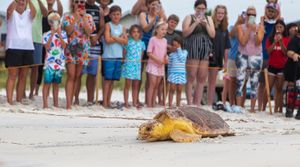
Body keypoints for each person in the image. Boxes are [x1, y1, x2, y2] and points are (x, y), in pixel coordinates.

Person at [62, 0, 95, 109]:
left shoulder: (88, 17)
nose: (79, 4)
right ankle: (68, 103)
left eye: (81, 1)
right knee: (71, 75)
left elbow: (89, 32)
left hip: (83, 49)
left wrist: (84, 18)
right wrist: (76, 18)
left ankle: (74, 99)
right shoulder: (67, 16)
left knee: (77, 75)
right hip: (70, 48)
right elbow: (68, 31)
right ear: (72, 3)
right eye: (77, 1)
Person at [182, 0, 215, 106]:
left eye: (203, 8)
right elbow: (185, 33)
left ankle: (197, 102)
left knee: (202, 76)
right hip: (193, 46)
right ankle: (189, 101)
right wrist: (196, 22)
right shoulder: (189, 17)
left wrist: (205, 25)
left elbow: (212, 34)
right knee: (191, 75)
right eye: (198, 8)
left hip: (205, 47)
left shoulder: (209, 18)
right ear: (195, 8)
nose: (201, 10)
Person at [5, 0, 36, 105]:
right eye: (19, 0)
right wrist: (16, 1)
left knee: (23, 76)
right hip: (13, 47)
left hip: (27, 47)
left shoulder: (28, 13)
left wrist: (29, 1)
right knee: (12, 75)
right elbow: (9, 11)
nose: (21, 2)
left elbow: (34, 12)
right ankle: (9, 100)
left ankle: (18, 100)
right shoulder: (11, 13)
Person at [74, 0, 105, 106]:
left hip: (95, 44)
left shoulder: (99, 9)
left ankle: (90, 100)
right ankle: (76, 99)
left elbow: (102, 26)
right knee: (79, 73)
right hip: (81, 43)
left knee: (92, 74)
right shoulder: (80, 6)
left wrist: (97, 36)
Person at [236, 6, 264, 113]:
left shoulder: (260, 27)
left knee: (254, 82)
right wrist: (248, 29)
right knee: (240, 81)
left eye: (254, 15)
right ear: (246, 15)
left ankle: (252, 108)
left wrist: (255, 30)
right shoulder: (240, 27)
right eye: (249, 14)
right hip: (242, 55)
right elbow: (243, 42)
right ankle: (238, 107)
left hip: (256, 56)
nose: (251, 16)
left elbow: (258, 42)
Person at [36, 0, 63, 96]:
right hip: (42, 39)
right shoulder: (41, 10)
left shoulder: (55, 14)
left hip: (52, 43)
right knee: (38, 66)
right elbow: (43, 14)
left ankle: (45, 91)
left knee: (49, 68)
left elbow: (60, 12)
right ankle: (35, 90)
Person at [139, 0, 164, 105]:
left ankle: (148, 100)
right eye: (152, 4)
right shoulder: (143, 14)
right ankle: (136, 99)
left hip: (155, 47)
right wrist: (154, 18)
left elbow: (162, 30)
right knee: (139, 72)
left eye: (156, 4)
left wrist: (159, 16)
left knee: (150, 74)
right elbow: (145, 28)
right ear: (148, 5)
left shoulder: (160, 17)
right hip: (144, 45)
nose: (154, 6)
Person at [102, 5, 128, 108]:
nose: (116, 16)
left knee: (112, 80)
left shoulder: (123, 27)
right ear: (110, 15)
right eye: (114, 14)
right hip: (109, 56)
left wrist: (114, 37)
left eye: (118, 14)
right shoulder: (108, 25)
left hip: (118, 56)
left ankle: (108, 101)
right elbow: (107, 41)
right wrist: (119, 38)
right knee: (107, 80)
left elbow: (125, 42)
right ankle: (104, 102)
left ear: (121, 15)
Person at [42, 12, 68, 108]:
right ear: (50, 23)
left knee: (56, 84)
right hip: (49, 62)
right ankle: (45, 104)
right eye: (53, 21)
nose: (55, 23)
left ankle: (56, 104)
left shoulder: (64, 34)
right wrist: (52, 35)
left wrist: (59, 34)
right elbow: (47, 47)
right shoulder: (46, 34)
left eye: (57, 21)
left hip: (59, 63)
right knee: (47, 83)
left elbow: (64, 45)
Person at [208, 5, 231, 107]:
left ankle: (209, 103)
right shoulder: (211, 25)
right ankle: (199, 102)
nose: (220, 15)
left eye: (222, 13)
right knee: (202, 80)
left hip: (218, 58)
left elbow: (227, 48)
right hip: (207, 57)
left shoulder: (225, 29)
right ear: (215, 13)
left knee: (212, 81)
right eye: (219, 13)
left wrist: (226, 63)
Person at [258, 2, 279, 111]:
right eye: (269, 10)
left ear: (276, 12)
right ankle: (260, 107)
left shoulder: (278, 24)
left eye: (273, 11)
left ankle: (275, 107)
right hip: (264, 56)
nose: (270, 13)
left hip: (275, 56)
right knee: (261, 83)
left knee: (275, 84)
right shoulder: (263, 23)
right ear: (266, 11)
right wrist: (262, 20)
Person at [265, 20, 289, 113]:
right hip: (271, 65)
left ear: (284, 28)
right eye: (277, 27)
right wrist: (274, 42)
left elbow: (285, 53)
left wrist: (281, 42)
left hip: (282, 66)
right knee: (268, 88)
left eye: (280, 27)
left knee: (279, 89)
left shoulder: (287, 39)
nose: (278, 29)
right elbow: (268, 52)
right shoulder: (270, 38)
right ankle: (263, 108)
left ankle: (277, 110)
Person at [225, 14, 246, 112]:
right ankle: (232, 104)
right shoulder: (232, 27)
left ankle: (241, 105)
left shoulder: (248, 28)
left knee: (243, 82)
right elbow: (231, 34)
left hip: (244, 58)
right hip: (232, 57)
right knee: (232, 82)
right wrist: (238, 22)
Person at [158, 14, 180, 106]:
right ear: (168, 21)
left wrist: (170, 47)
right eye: (171, 22)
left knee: (167, 82)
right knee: (159, 81)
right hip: (161, 59)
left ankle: (164, 100)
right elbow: (161, 43)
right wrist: (169, 47)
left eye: (175, 23)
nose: (173, 24)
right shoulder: (163, 32)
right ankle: (159, 99)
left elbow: (176, 48)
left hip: (172, 62)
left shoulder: (176, 35)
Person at [122, 25, 145, 109]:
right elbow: (124, 53)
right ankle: (126, 103)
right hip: (129, 65)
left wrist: (139, 64)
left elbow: (141, 56)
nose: (136, 33)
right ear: (131, 33)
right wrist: (124, 61)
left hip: (137, 66)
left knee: (135, 85)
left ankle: (134, 103)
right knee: (127, 85)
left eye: (137, 32)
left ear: (140, 33)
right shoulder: (127, 42)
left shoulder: (142, 43)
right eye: (134, 32)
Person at [146, 22, 168, 108]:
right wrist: (158, 59)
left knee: (157, 86)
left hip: (161, 66)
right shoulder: (153, 39)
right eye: (162, 29)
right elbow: (149, 53)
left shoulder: (165, 40)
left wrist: (166, 57)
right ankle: (149, 104)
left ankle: (153, 103)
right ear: (157, 30)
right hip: (153, 65)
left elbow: (165, 52)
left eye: (165, 29)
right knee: (152, 84)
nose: (164, 31)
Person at [29, 0, 48, 100]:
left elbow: (45, 14)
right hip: (25, 37)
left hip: (37, 37)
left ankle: (31, 93)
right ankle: (22, 92)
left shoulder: (43, 1)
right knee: (22, 68)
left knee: (36, 67)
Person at [168, 36, 188, 108]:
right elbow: (169, 66)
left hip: (181, 74)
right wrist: (168, 75)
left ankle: (178, 105)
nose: (175, 47)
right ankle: (170, 105)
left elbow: (182, 59)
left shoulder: (184, 52)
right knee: (172, 89)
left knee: (179, 90)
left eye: (176, 45)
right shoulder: (171, 55)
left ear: (180, 45)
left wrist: (179, 49)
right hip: (173, 74)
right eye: (173, 45)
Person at [285, 26, 300, 120]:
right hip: (294, 67)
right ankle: (289, 109)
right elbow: (288, 52)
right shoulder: (295, 40)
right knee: (292, 89)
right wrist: (294, 54)